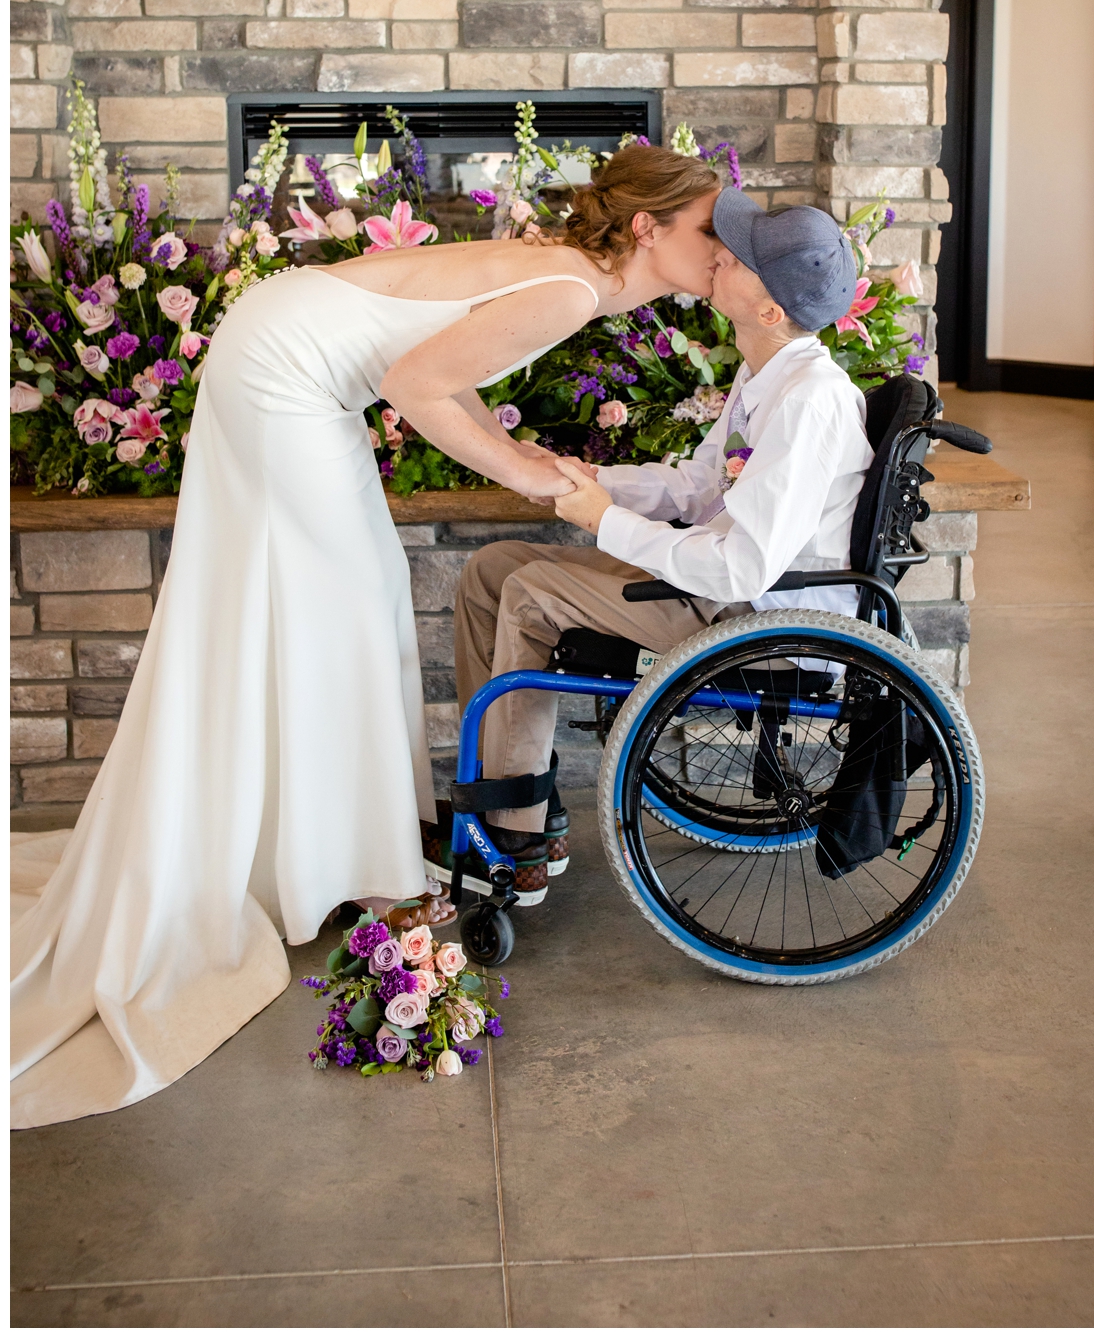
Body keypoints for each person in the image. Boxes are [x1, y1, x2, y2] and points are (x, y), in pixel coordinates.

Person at [11, 145, 725, 1128]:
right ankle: (342, 864)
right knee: (345, 600)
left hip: (290, 352)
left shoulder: (577, 274)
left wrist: (517, 448)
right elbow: (417, 383)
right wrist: (522, 479)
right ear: (649, 229)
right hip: (282, 375)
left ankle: (325, 848)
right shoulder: (570, 287)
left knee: (362, 590)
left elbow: (447, 367)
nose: (723, 249)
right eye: (708, 229)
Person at [443, 190, 871, 900]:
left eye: (735, 259)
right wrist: (584, 478)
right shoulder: (765, 371)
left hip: (756, 617)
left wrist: (602, 518)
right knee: (493, 570)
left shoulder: (809, 402)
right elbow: (700, 484)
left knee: (531, 593)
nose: (716, 255)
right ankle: (502, 788)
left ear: (770, 310)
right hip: (715, 582)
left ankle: (513, 838)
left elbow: (742, 567)